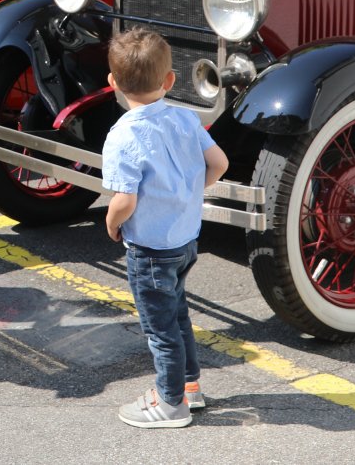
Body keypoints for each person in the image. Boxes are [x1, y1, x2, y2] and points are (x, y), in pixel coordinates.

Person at [101, 28, 229, 429]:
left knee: (160, 330)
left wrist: (111, 224)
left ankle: (170, 403)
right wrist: (189, 192)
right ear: (170, 80)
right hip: (186, 240)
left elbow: (125, 201)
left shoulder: (122, 136)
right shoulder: (186, 119)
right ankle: (190, 386)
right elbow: (219, 164)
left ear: (113, 82)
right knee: (178, 315)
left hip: (150, 249)